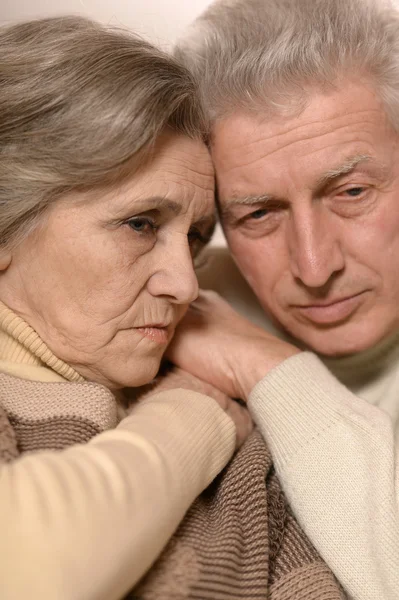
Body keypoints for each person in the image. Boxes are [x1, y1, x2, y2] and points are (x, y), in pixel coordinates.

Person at [0, 16, 254, 599]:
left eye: (195, 237)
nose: (186, 287)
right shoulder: (207, 399)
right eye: (140, 224)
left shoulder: (219, 374)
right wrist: (195, 410)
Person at [170, 0, 399, 598]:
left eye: (351, 191)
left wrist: (269, 369)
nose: (315, 266)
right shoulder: (172, 302)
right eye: (258, 214)